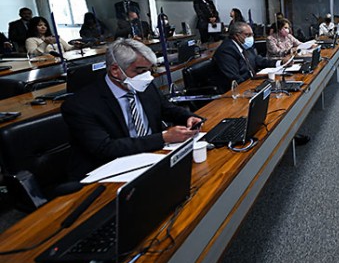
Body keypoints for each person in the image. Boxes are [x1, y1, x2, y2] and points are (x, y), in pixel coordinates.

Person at [61, 38, 201, 178]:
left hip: (155, 159)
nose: (147, 77)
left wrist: (188, 117)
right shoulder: (80, 104)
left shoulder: (143, 85)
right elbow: (104, 148)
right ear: (115, 70)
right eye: (140, 71)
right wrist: (163, 138)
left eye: (149, 70)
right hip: (111, 170)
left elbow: (166, 108)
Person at [212, 21, 283, 89]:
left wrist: (280, 62)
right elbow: (234, 79)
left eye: (252, 35)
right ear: (237, 36)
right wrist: (257, 85)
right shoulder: (226, 51)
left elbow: (258, 60)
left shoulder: (245, 45)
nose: (251, 38)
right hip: (235, 92)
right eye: (247, 35)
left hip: (251, 84)